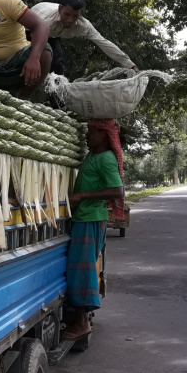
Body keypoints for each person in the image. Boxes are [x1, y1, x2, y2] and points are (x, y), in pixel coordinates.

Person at [63, 119, 125, 341]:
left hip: (91, 218)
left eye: (90, 131)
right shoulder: (93, 155)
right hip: (84, 217)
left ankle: (82, 322)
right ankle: (82, 318)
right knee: (79, 267)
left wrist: (82, 196)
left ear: (103, 133)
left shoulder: (106, 158)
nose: (86, 135)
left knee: (83, 268)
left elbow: (118, 191)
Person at [31, 0, 140, 76]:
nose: (70, 20)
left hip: (51, 35)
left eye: (75, 16)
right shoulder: (48, 19)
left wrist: (130, 65)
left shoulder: (84, 26)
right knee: (34, 55)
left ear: (81, 13)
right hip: (30, 29)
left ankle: (56, 98)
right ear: (60, 9)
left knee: (58, 63)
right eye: (67, 14)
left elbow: (104, 43)